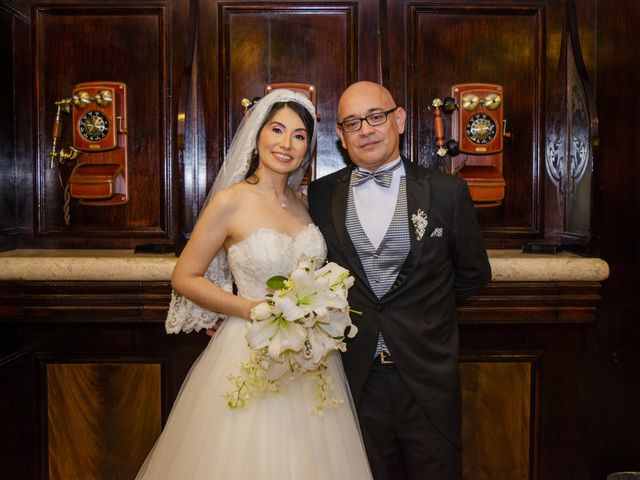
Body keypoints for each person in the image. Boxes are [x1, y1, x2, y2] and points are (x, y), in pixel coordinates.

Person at [137, 89, 372, 479]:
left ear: (308, 148)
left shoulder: (304, 203)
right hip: (248, 347)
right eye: (277, 130)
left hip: (311, 357)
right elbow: (184, 276)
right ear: (257, 134)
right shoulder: (231, 201)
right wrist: (252, 309)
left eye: (299, 136)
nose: (286, 143)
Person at [308, 81, 492, 480]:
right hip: (354, 379)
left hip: (426, 378)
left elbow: (474, 274)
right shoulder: (319, 196)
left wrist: (424, 311)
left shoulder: (448, 192)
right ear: (340, 135)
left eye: (376, 116)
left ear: (400, 119)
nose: (366, 129)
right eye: (352, 122)